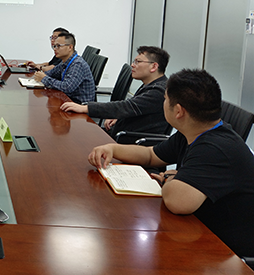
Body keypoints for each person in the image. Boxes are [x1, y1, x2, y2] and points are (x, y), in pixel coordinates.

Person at [88, 69, 254, 258]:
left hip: (227, 253)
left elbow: (178, 202)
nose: (163, 103)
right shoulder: (193, 131)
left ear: (178, 111)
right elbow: (151, 155)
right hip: (199, 229)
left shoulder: (216, 148)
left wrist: (170, 179)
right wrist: (113, 149)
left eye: (165, 99)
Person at [61, 46, 170, 138]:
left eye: (138, 61)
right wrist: (119, 117)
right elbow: (136, 108)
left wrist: (85, 108)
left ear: (154, 66)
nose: (132, 65)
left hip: (131, 142)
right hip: (122, 133)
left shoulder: (159, 91)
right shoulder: (153, 84)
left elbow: (127, 106)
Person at [33, 32, 95, 103]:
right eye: (54, 46)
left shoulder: (77, 64)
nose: (55, 49)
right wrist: (40, 75)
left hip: (79, 105)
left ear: (70, 47)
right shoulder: (65, 61)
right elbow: (51, 73)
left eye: (58, 46)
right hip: (68, 100)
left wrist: (44, 78)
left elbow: (66, 87)